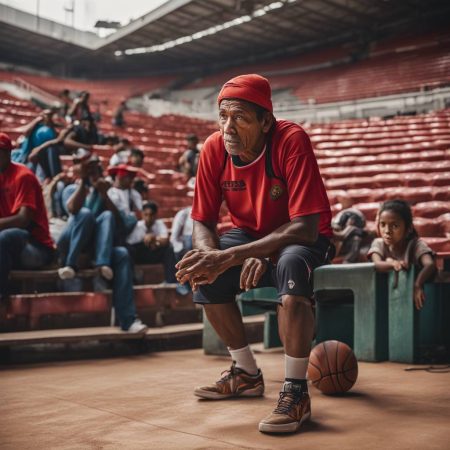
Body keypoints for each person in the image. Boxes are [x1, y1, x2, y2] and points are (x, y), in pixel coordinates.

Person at [175, 74, 334, 434]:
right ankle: (246, 373)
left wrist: (235, 255)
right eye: (223, 116)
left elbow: (305, 228)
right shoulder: (214, 148)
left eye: (240, 117)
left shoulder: (290, 140)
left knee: (291, 264)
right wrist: (210, 258)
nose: (228, 127)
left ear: (266, 121)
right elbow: (201, 221)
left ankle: (296, 392)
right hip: (251, 235)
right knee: (204, 272)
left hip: (304, 235)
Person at [59, 150, 146, 333]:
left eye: (95, 169)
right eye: (88, 169)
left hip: (98, 250)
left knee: (121, 253)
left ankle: (128, 321)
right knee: (84, 213)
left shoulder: (107, 193)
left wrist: (104, 195)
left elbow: (122, 225)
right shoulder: (70, 189)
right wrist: (83, 182)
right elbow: (73, 210)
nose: (93, 173)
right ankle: (71, 264)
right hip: (74, 245)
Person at [0, 133, 55, 301]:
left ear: (8, 153)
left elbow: (23, 220)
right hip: (9, 249)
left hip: (36, 248)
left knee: (4, 237)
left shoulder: (23, 176)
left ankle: (1, 297)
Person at [368, 199, 437, 310]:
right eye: (383, 224)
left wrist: (418, 284)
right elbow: (376, 263)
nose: (387, 231)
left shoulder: (416, 244)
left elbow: (430, 265)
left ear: (408, 228)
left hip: (413, 302)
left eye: (394, 226)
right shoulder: (378, 243)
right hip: (387, 301)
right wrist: (393, 264)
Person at [127, 201, 188, 295]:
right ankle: (132, 278)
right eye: (145, 214)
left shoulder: (159, 224)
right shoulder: (137, 226)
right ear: (142, 215)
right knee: (129, 250)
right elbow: (130, 243)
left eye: (151, 215)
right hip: (139, 255)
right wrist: (145, 239)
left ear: (155, 215)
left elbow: (166, 240)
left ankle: (171, 281)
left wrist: (153, 238)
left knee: (169, 249)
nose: (148, 218)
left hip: (152, 253)